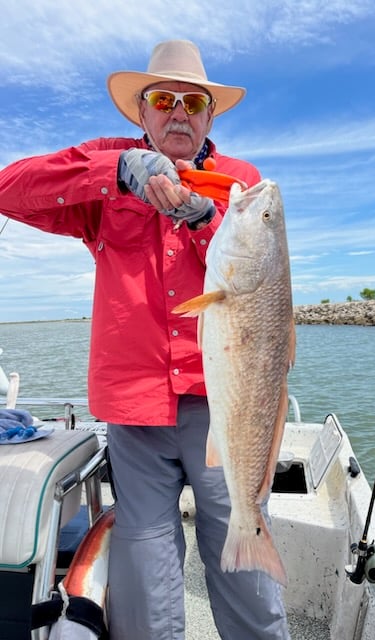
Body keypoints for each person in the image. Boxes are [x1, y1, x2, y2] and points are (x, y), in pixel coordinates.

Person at [0, 40, 291, 639]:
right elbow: (10, 187)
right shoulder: (105, 169)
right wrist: (116, 175)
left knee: (242, 552)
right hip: (135, 412)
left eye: (193, 102)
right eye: (164, 99)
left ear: (210, 116)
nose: (178, 111)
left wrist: (206, 219)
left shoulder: (239, 184)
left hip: (223, 404)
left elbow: (258, 280)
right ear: (142, 112)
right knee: (145, 566)